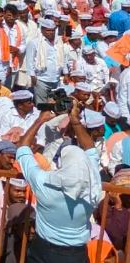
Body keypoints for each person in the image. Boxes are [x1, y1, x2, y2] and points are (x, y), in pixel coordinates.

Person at [16, 102, 102, 263]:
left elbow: (22, 148)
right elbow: (91, 150)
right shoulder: (93, 186)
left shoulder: (45, 184)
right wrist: (75, 120)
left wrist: (39, 121)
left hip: (44, 251)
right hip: (77, 254)